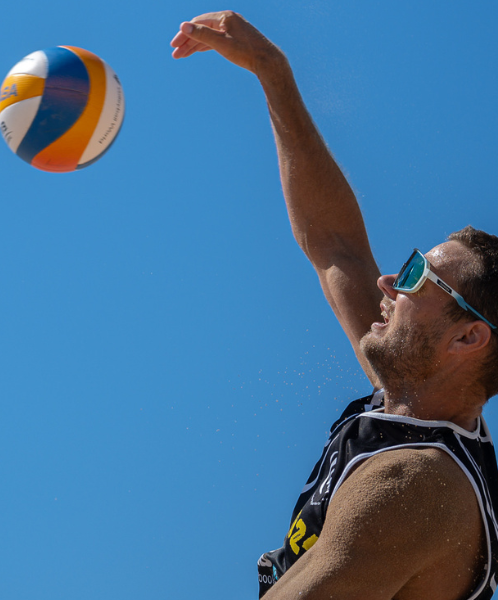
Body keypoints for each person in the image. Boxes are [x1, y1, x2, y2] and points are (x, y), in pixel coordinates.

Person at [170, 11, 498, 600]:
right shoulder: (410, 408)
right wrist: (273, 74)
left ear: (467, 338)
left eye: (418, 275)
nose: (389, 282)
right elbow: (334, 243)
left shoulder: (416, 484)